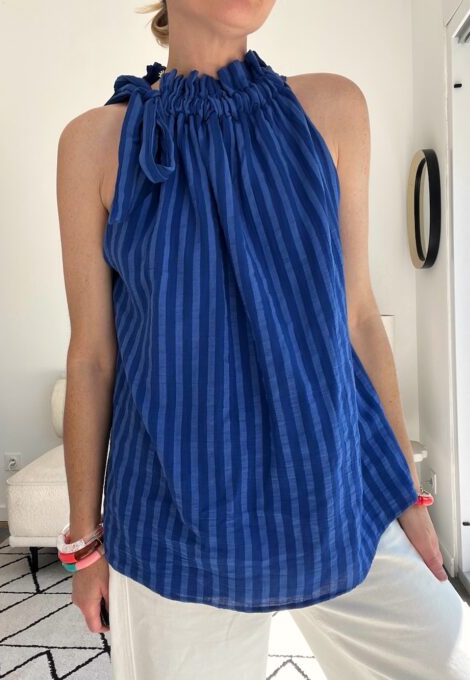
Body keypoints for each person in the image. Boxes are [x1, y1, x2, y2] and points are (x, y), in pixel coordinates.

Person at [55, 1, 470, 678]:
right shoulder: (94, 144)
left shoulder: (333, 108)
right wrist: (85, 545)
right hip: (171, 521)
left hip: (339, 493)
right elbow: (93, 358)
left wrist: (409, 493)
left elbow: (359, 317)